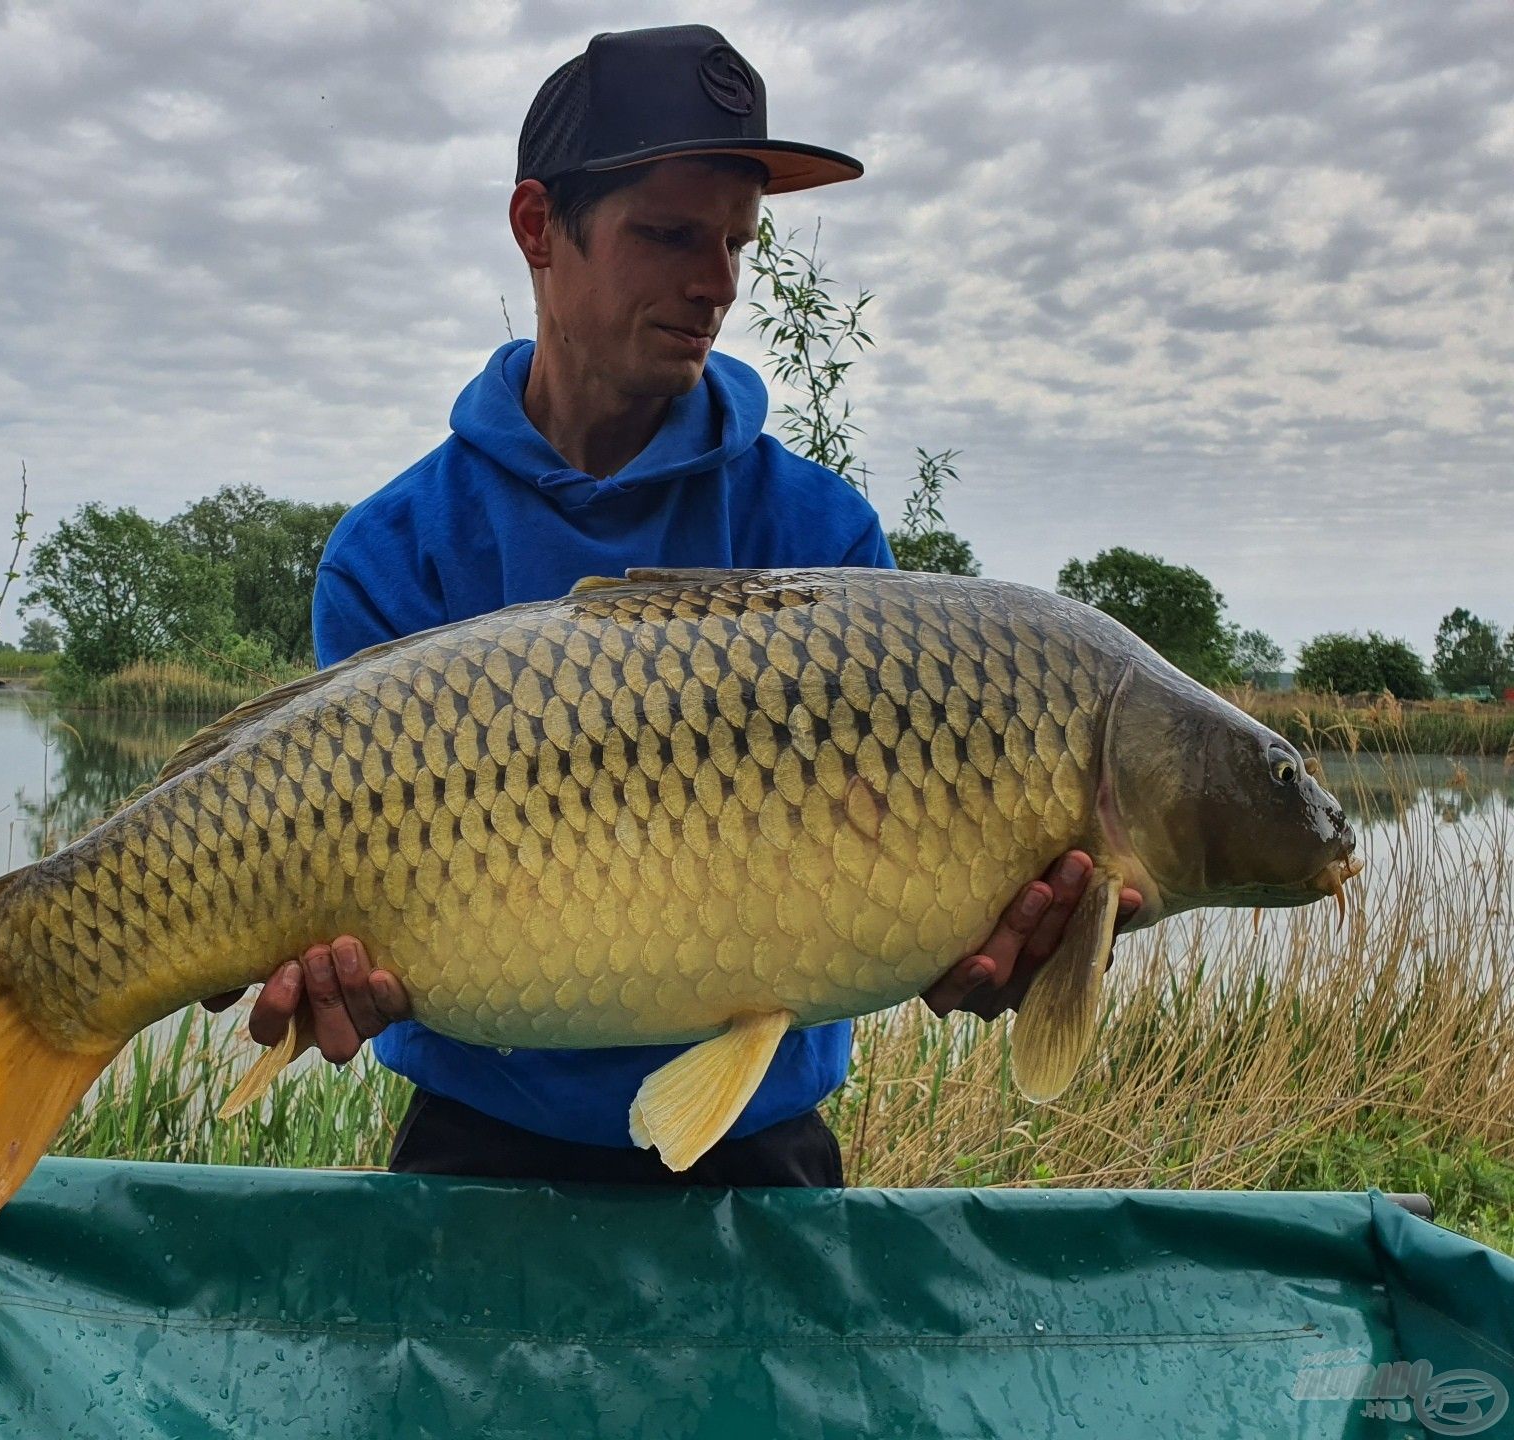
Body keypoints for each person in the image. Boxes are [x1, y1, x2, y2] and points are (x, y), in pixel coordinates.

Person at [208, 24, 1139, 1184]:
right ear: (538, 228)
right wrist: (333, 981)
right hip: (478, 1153)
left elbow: (908, 891)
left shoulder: (823, 541)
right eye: (668, 235)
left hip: (760, 1144)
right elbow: (349, 943)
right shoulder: (396, 556)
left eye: (736, 242)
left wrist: (982, 945)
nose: (718, 283)